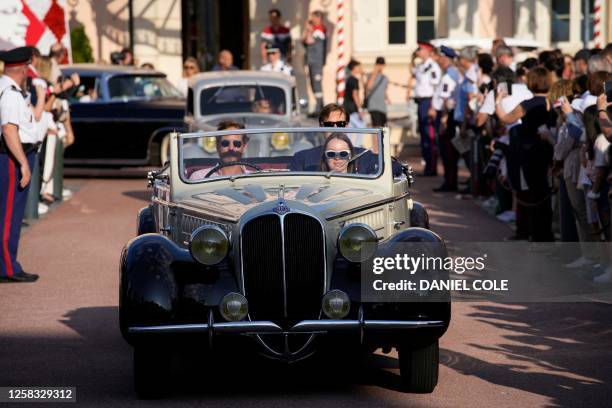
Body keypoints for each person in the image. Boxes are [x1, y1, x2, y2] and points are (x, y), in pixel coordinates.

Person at [496, 67, 556, 242]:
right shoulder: (553, 102)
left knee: (533, 194)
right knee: (545, 194)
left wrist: (498, 101)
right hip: (550, 149)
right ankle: (545, 233)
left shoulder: (528, 104)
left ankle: (536, 234)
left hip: (530, 152)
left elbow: (506, 118)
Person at [0, 47, 39, 283]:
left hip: (12, 156)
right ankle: (7, 268)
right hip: (14, 157)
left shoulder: (9, 90)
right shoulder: (11, 94)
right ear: (23, 69)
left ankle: (6, 264)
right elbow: (9, 130)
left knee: (7, 214)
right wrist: (24, 164)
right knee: (9, 216)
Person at [289, 103, 376, 174]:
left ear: (347, 126)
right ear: (321, 126)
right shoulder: (302, 158)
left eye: (340, 124)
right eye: (329, 125)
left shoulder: (365, 156)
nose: (335, 128)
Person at [431, 46, 462, 192]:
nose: (438, 61)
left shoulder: (448, 76)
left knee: (447, 151)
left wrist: (443, 119)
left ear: (445, 59)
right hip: (448, 115)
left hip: (446, 116)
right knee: (449, 152)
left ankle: (450, 182)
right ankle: (450, 181)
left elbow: (445, 100)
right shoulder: (453, 73)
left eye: (440, 58)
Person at [413, 42, 442, 176]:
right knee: (424, 136)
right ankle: (427, 167)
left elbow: (437, 87)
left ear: (426, 50)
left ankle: (431, 168)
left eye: (420, 49)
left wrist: (433, 106)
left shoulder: (432, 66)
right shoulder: (422, 66)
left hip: (429, 101)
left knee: (429, 135)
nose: (417, 51)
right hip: (421, 101)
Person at [302, 10, 327, 116]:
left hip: (317, 62)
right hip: (311, 61)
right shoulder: (313, 30)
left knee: (316, 84)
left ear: (318, 18)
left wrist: (308, 29)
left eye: (313, 18)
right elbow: (303, 40)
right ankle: (320, 105)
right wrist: (307, 29)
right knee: (313, 83)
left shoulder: (319, 30)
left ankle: (319, 107)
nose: (311, 20)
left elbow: (309, 40)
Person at [365, 57, 390, 127]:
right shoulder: (370, 75)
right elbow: (368, 87)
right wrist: (375, 72)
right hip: (374, 106)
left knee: (383, 128)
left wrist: (388, 99)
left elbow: (384, 90)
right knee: (376, 128)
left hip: (382, 107)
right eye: (379, 65)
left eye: (382, 65)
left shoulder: (385, 78)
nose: (381, 67)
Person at [343, 59, 365, 129]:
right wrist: (360, 109)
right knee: (361, 128)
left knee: (350, 130)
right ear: (354, 68)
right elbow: (355, 95)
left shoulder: (349, 79)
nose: (360, 69)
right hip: (352, 109)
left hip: (347, 108)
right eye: (359, 67)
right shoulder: (354, 80)